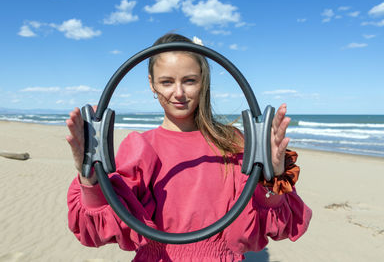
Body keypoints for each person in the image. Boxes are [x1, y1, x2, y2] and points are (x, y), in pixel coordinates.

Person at [66, 33, 312, 261]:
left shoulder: (233, 144)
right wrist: (89, 179)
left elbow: (274, 225)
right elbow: (105, 227)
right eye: (166, 82)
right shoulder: (140, 147)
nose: (179, 93)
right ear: (152, 84)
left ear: (203, 81)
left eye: (189, 80)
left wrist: (273, 176)